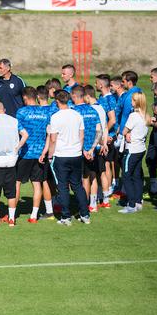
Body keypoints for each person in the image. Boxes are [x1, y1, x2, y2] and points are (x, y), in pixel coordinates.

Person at [47, 90, 90, 226]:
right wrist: (78, 148)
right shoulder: (77, 115)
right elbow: (82, 136)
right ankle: (85, 214)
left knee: (63, 187)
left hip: (61, 155)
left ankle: (66, 217)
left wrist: (50, 154)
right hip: (76, 155)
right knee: (77, 185)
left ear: (57, 101)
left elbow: (53, 140)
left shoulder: (55, 117)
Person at [0, 101, 27, 227]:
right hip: (11, 161)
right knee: (11, 193)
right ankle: (11, 219)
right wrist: (17, 147)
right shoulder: (14, 121)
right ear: (4, 109)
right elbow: (25, 134)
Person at [14, 87, 48, 223]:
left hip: (25, 153)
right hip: (40, 154)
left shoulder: (21, 112)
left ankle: (12, 214)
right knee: (37, 184)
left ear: (25, 98)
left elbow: (17, 132)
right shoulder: (44, 112)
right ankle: (34, 215)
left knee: (16, 184)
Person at [71, 86, 104, 213]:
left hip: (79, 150)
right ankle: (93, 204)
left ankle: (83, 207)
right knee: (92, 176)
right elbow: (99, 130)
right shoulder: (93, 110)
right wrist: (92, 148)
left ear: (74, 96)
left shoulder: (74, 111)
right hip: (91, 150)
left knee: (82, 179)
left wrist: (85, 149)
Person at [119, 92, 149, 214]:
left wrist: (126, 133)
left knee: (126, 175)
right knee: (136, 176)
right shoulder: (146, 116)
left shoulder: (134, 116)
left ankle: (131, 204)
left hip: (132, 150)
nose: (131, 101)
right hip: (141, 149)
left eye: (132, 100)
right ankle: (138, 201)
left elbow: (123, 130)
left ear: (136, 102)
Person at [84, 85, 111, 209]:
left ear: (88, 96)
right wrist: (104, 143)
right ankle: (106, 201)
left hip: (94, 145)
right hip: (102, 144)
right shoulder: (101, 108)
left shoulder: (91, 110)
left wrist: (96, 145)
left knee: (93, 175)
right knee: (103, 173)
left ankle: (93, 204)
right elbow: (105, 127)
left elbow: (97, 129)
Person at [95, 74, 117, 202]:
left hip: (108, 137)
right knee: (103, 164)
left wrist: (105, 135)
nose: (95, 84)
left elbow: (113, 120)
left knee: (106, 164)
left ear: (101, 85)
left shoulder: (109, 99)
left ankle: (107, 192)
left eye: (96, 82)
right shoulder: (102, 97)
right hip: (104, 136)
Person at [36, 85, 56, 219]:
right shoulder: (54, 110)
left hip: (43, 150)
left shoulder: (37, 113)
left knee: (43, 181)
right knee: (52, 180)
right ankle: (56, 204)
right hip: (56, 149)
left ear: (38, 97)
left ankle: (49, 211)